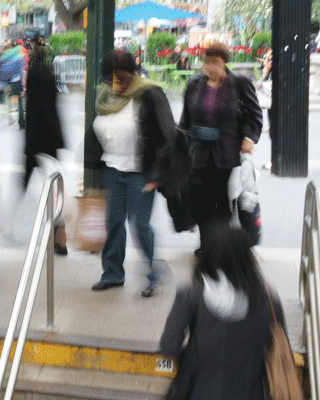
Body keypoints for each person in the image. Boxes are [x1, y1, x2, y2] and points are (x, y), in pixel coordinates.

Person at [160, 224, 286, 400]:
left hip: (197, 391)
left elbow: (168, 345)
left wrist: (191, 359)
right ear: (248, 258)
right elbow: (278, 343)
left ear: (210, 254)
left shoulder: (191, 295)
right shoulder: (269, 301)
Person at [90, 51, 176, 297]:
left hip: (141, 172)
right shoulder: (104, 97)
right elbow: (94, 136)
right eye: (110, 78)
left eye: (119, 77)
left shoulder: (149, 94)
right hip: (112, 170)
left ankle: (155, 274)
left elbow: (166, 136)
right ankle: (113, 274)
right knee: (114, 224)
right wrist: (91, 173)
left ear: (132, 73)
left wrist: (156, 175)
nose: (114, 83)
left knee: (139, 225)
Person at [179, 42, 263, 257]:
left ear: (225, 62)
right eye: (207, 62)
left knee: (219, 197)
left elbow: (255, 114)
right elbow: (185, 120)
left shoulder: (239, 84)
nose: (210, 67)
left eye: (215, 62)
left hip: (224, 151)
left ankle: (221, 244)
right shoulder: (195, 84)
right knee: (200, 197)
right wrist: (181, 144)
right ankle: (207, 242)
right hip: (198, 150)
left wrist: (249, 137)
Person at [24, 43, 67, 255]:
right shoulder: (50, 74)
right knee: (54, 188)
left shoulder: (33, 75)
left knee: (23, 181)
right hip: (51, 138)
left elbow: (32, 109)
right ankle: (59, 236)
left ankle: (9, 221)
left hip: (34, 140)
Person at [257, 48, 273, 170]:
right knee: (272, 134)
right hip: (271, 109)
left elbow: (271, 94)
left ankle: (273, 160)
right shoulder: (269, 73)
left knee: (274, 135)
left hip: (274, 108)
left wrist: (262, 87)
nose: (270, 61)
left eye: (272, 59)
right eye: (269, 59)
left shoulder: (274, 73)